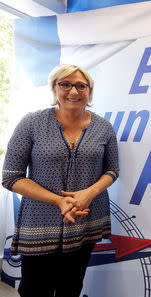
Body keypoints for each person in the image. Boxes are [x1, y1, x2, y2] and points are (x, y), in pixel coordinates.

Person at [2, 64, 119, 297]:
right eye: (65, 84)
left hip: (86, 219)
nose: (73, 91)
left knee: (72, 286)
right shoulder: (32, 123)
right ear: (54, 89)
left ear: (90, 91)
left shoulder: (104, 127)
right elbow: (10, 177)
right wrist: (58, 201)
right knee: (34, 289)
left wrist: (88, 193)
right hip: (40, 222)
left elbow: (112, 171)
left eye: (80, 86)